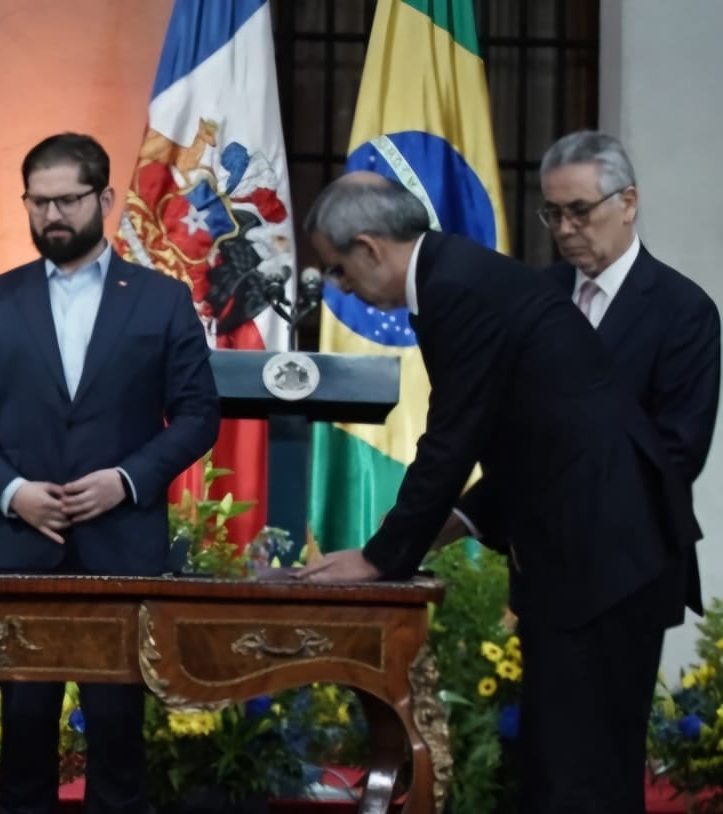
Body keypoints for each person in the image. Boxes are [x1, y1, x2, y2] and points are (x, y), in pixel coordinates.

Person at [296, 172, 702, 814]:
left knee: (580, 775)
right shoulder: (459, 274)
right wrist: (446, 525)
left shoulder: (454, 287)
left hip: (604, 555)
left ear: (371, 248)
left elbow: (452, 437)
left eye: (339, 269)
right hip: (593, 554)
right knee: (563, 767)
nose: (342, 288)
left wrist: (380, 560)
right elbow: (527, 433)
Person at [0, 133, 219, 814]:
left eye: (67, 200)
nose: (52, 216)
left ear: (105, 199)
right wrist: (13, 493)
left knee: (120, 742)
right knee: (24, 740)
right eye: (38, 203)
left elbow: (196, 416)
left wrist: (124, 480)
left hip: (121, 548)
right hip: (23, 551)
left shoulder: (160, 299)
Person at [465, 130, 718, 611]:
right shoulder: (530, 296)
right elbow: (504, 429)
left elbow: (676, 452)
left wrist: (554, 520)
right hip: (538, 568)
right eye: (553, 213)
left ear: (628, 203)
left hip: (631, 570)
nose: (563, 228)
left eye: (579, 211)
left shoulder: (683, 310)